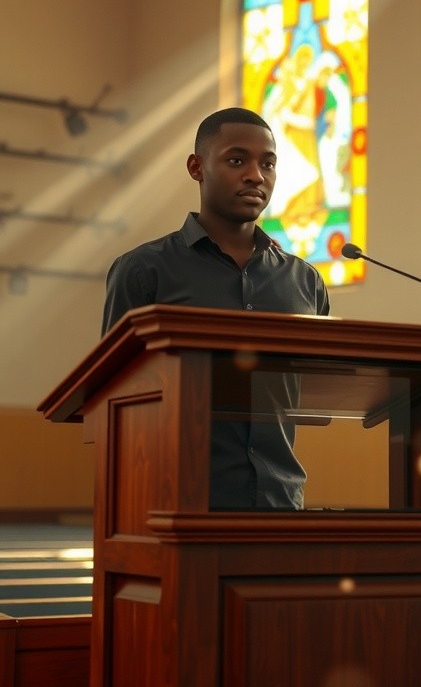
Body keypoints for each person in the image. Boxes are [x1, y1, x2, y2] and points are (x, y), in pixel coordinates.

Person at [102, 107, 330, 510]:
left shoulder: (304, 282)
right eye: (237, 160)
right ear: (197, 167)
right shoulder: (144, 270)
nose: (256, 176)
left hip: (279, 503)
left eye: (269, 163)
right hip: (173, 500)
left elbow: (318, 397)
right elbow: (113, 398)